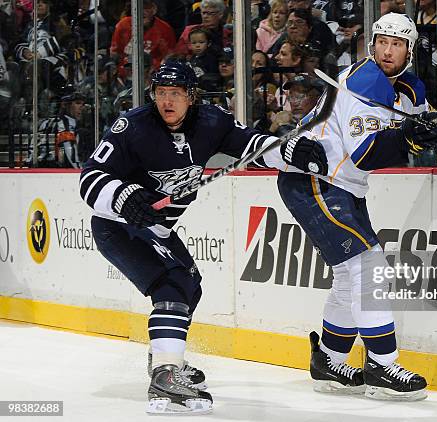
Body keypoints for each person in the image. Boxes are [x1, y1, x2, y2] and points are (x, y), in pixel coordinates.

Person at [78, 60, 329, 415]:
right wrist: (123, 196)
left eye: (175, 94)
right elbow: (90, 175)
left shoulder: (212, 122)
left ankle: (165, 359)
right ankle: (166, 373)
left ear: (191, 97)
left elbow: (251, 146)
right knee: (172, 284)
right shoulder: (132, 127)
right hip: (118, 226)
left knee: (191, 285)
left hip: (159, 230)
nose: (167, 101)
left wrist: (289, 152)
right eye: (161, 93)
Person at [276, 13, 437, 400]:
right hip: (312, 180)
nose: (387, 51)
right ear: (372, 43)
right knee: (368, 268)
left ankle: (328, 360)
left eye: (397, 44)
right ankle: (382, 364)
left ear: (410, 50)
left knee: (349, 275)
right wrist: (413, 138)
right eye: (381, 42)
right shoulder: (364, 83)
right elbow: (366, 153)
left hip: (342, 187)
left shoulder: (407, 85)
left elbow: (423, 125)